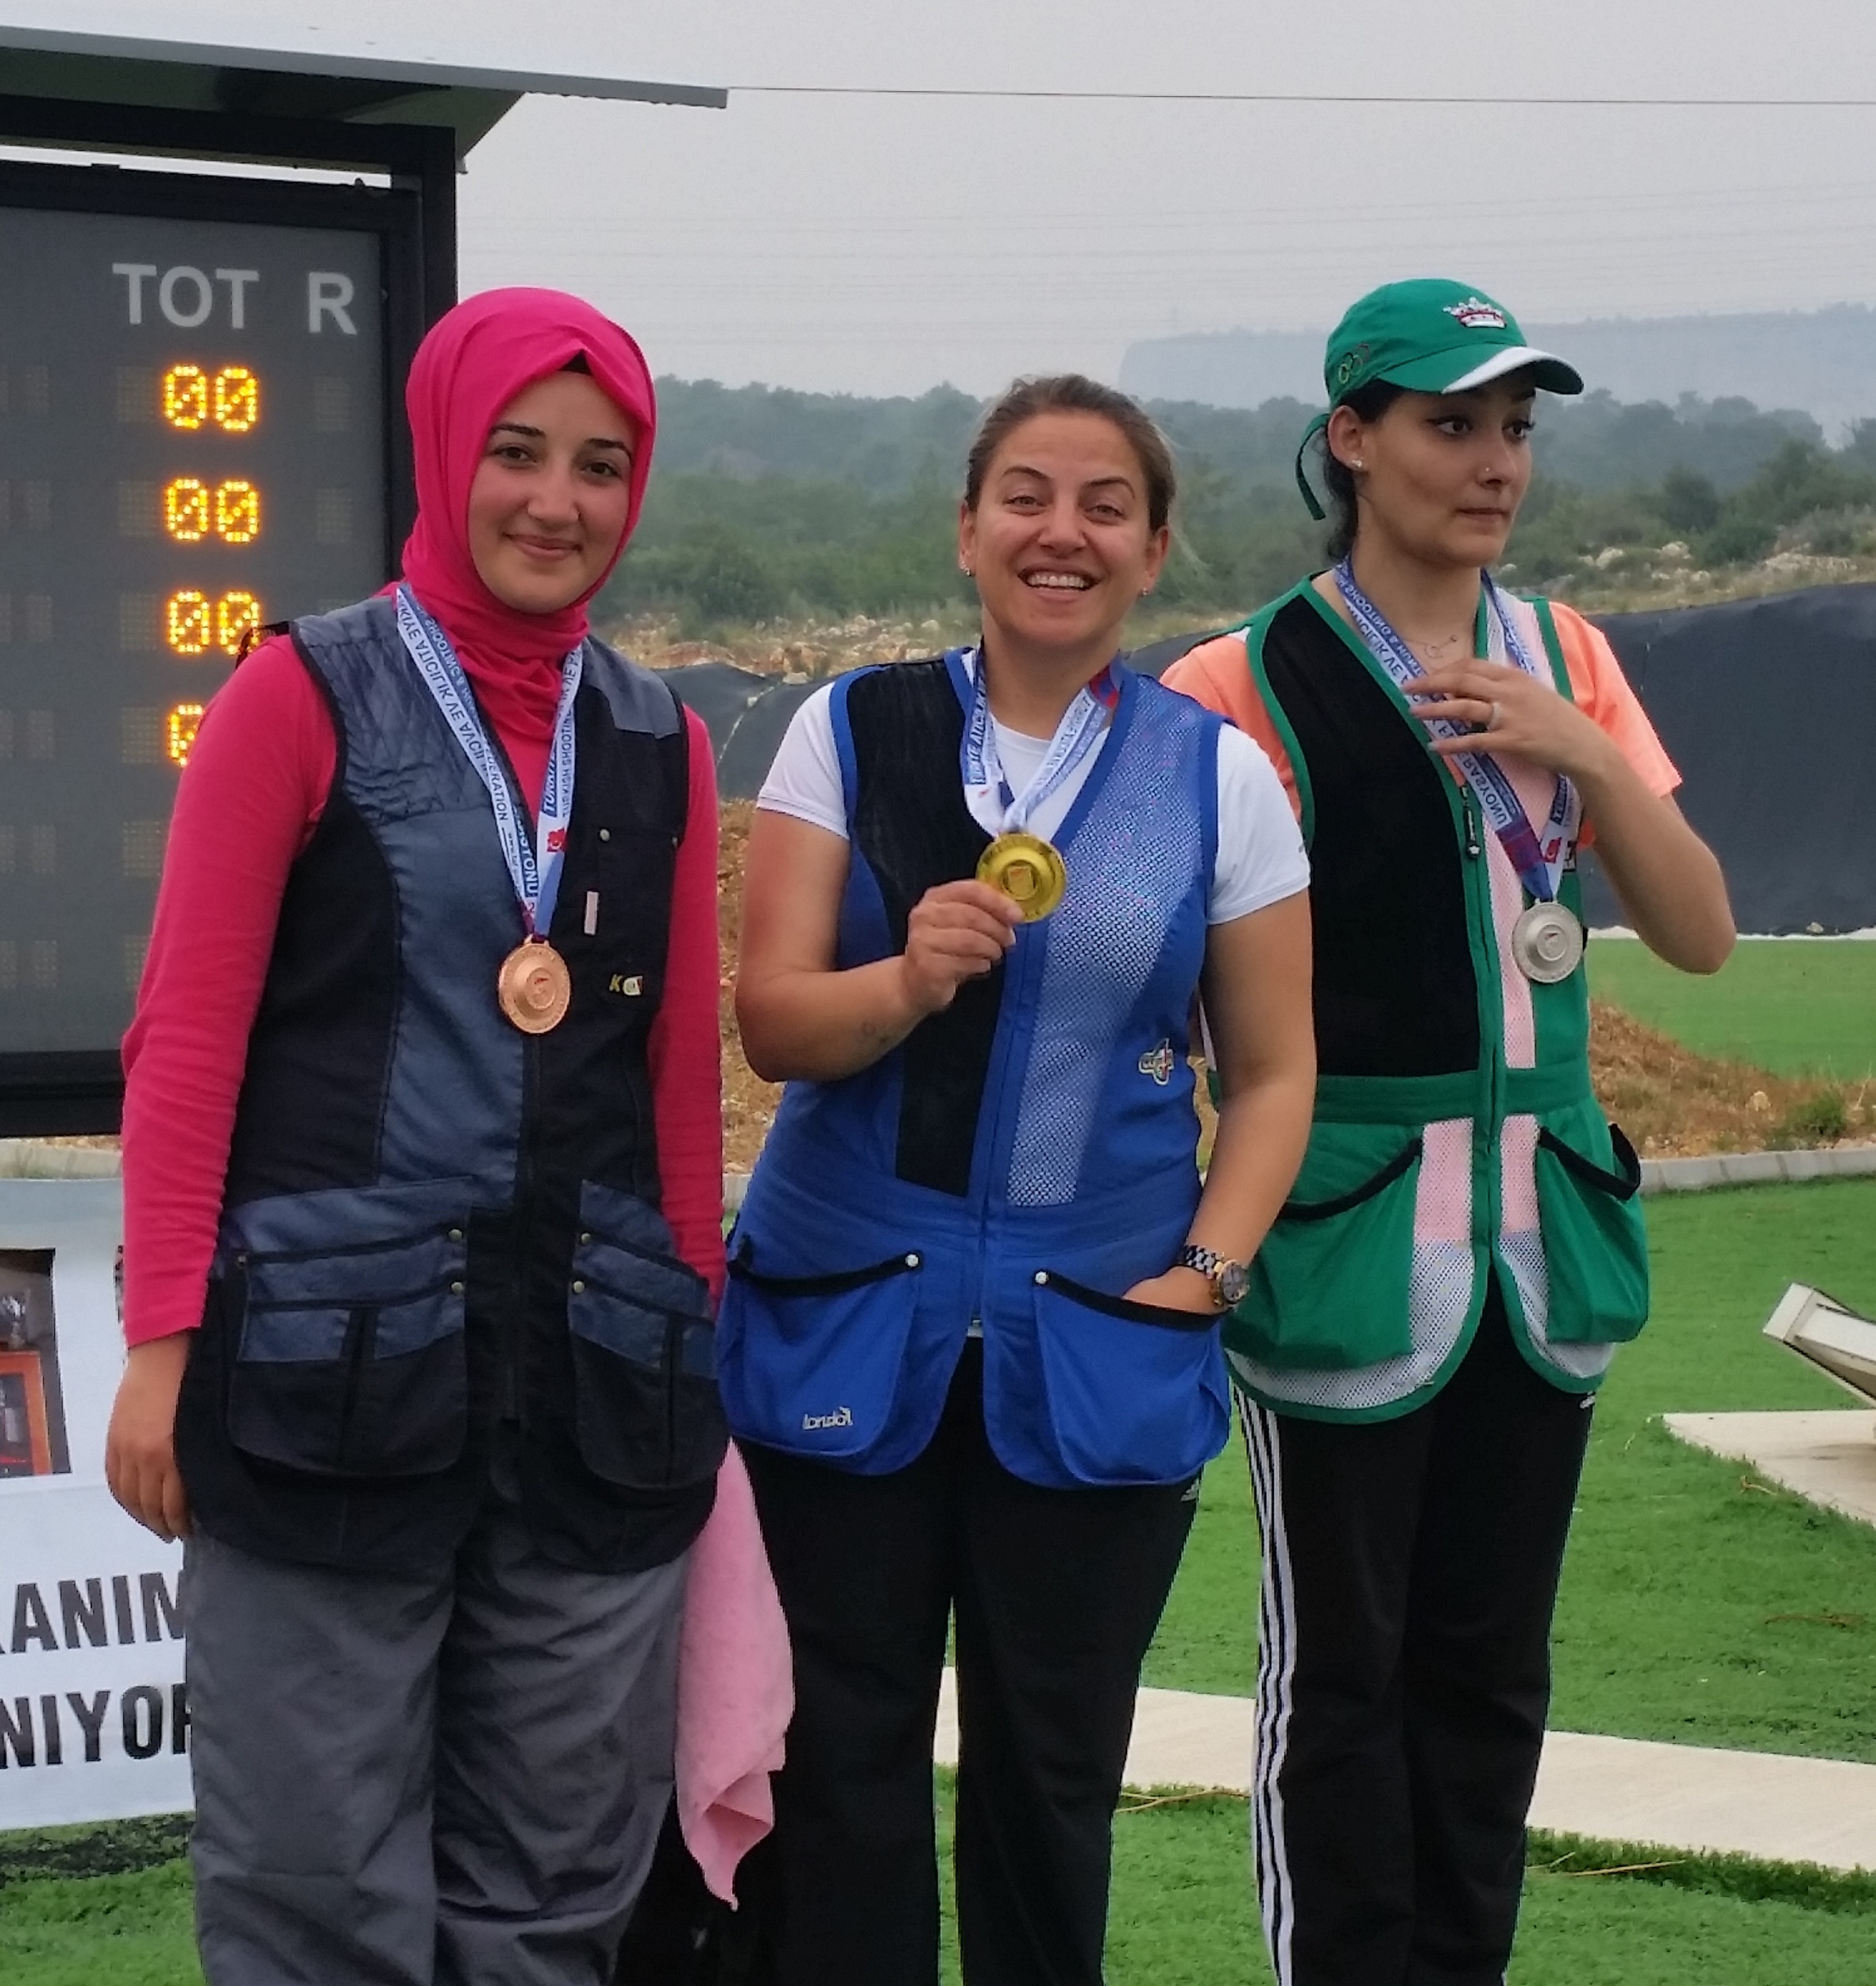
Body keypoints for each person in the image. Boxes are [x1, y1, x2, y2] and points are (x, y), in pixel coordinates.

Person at [102, 288, 729, 1986]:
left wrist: (696, 1346)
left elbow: (676, 1086)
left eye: (600, 466)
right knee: (314, 1890)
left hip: (600, 1398)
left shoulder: (662, 738)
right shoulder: (295, 692)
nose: (557, 501)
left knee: (554, 1896)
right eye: (518, 453)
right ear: (445, 452)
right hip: (318, 1389)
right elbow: (184, 1043)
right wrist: (161, 1345)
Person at [1162, 278, 1735, 1986]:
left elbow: (1699, 932)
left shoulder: (1571, 657)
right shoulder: (1233, 679)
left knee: (1490, 1683)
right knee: (1338, 1682)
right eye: (1448, 423)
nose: (1493, 462)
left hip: (1541, 1253)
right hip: (1343, 1245)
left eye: (1513, 427)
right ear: (1350, 439)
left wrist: (1585, 756)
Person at [721, 374, 1316, 1985]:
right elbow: (772, 1022)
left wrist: (1203, 1274)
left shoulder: (1217, 778)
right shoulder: (850, 728)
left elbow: (1273, 1074)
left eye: (1105, 505)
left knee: (1050, 1780)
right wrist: (904, 979)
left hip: (1097, 1336)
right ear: (968, 528)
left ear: (1153, 547)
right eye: (1026, 496)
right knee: (831, 1768)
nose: (1063, 532)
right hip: (844, 1319)